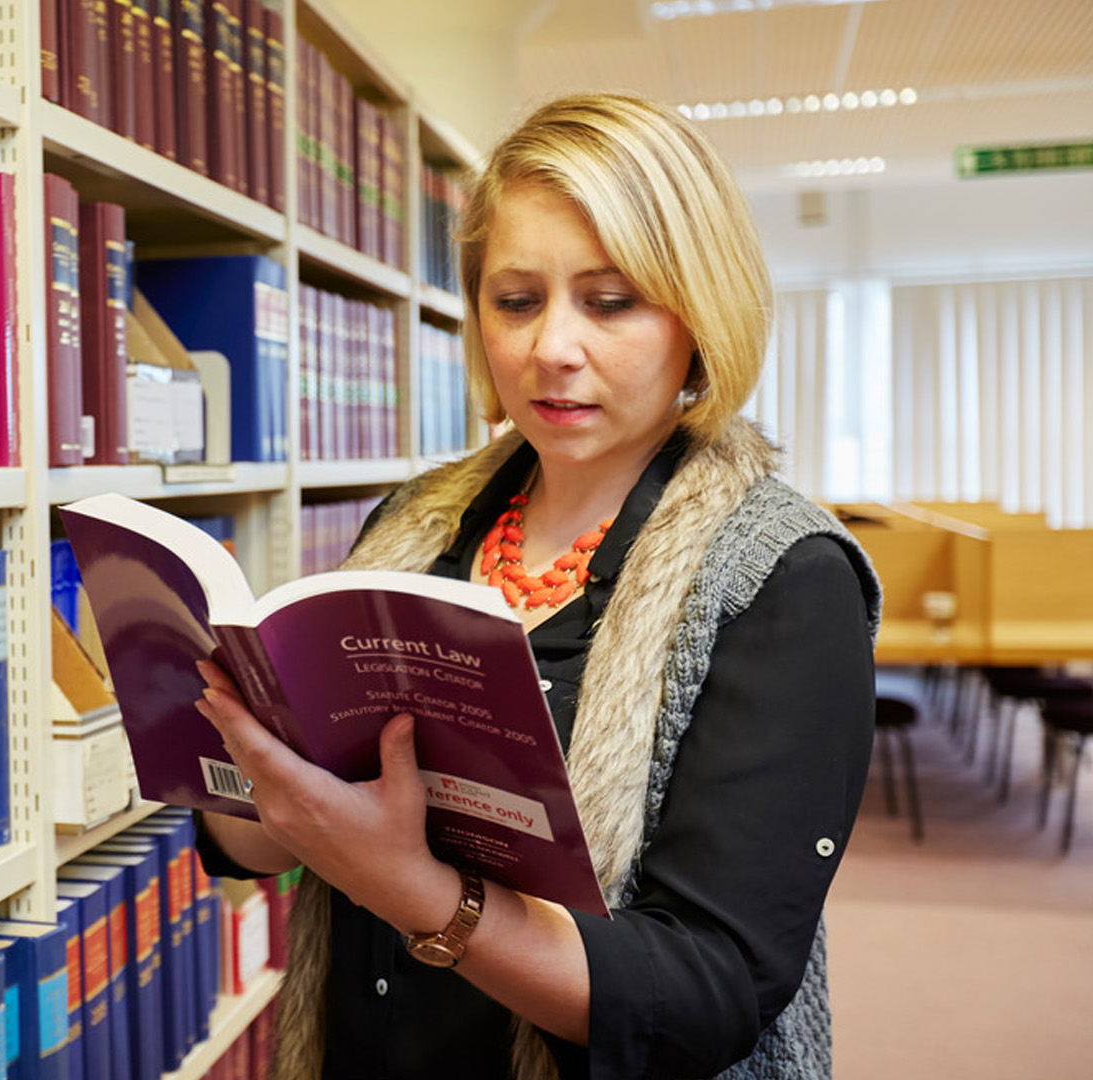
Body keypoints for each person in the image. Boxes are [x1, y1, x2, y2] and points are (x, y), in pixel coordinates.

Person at [193, 92, 881, 1080]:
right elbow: (260, 844)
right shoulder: (414, 521)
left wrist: (413, 888)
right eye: (516, 301)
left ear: (700, 313)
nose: (551, 347)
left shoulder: (783, 576)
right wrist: (246, 766)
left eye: (611, 301)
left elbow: (707, 994)